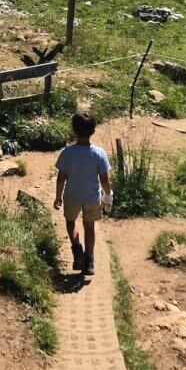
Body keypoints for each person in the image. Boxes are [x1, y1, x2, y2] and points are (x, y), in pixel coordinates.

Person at [53, 112, 112, 276]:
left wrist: (58, 197)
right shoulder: (99, 153)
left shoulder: (67, 152)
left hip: (72, 196)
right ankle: (89, 261)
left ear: (74, 129)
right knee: (90, 227)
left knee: (71, 222)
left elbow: (61, 178)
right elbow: (104, 179)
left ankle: (77, 250)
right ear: (93, 130)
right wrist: (108, 194)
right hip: (92, 198)